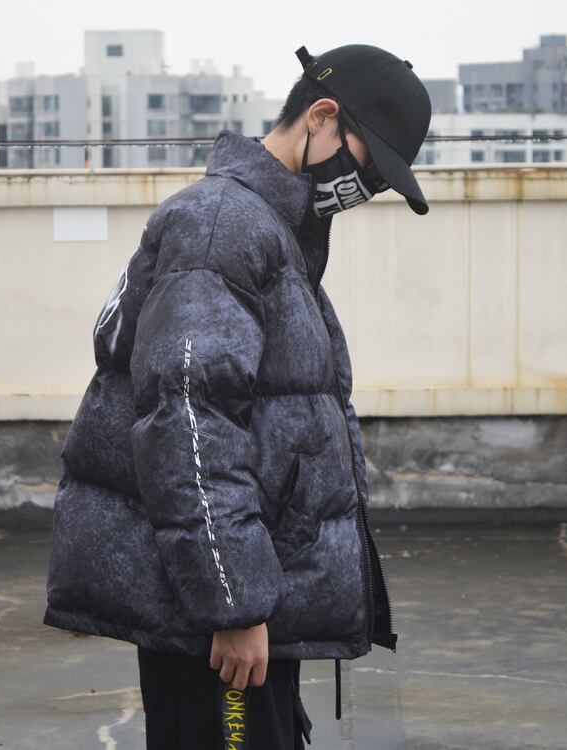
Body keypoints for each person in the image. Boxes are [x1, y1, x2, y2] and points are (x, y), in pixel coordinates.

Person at [43, 42, 431, 749]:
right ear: (321, 115)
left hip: (243, 610)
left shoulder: (268, 229)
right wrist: (233, 602)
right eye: (369, 166)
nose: (366, 188)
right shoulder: (223, 228)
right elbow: (188, 423)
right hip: (218, 623)